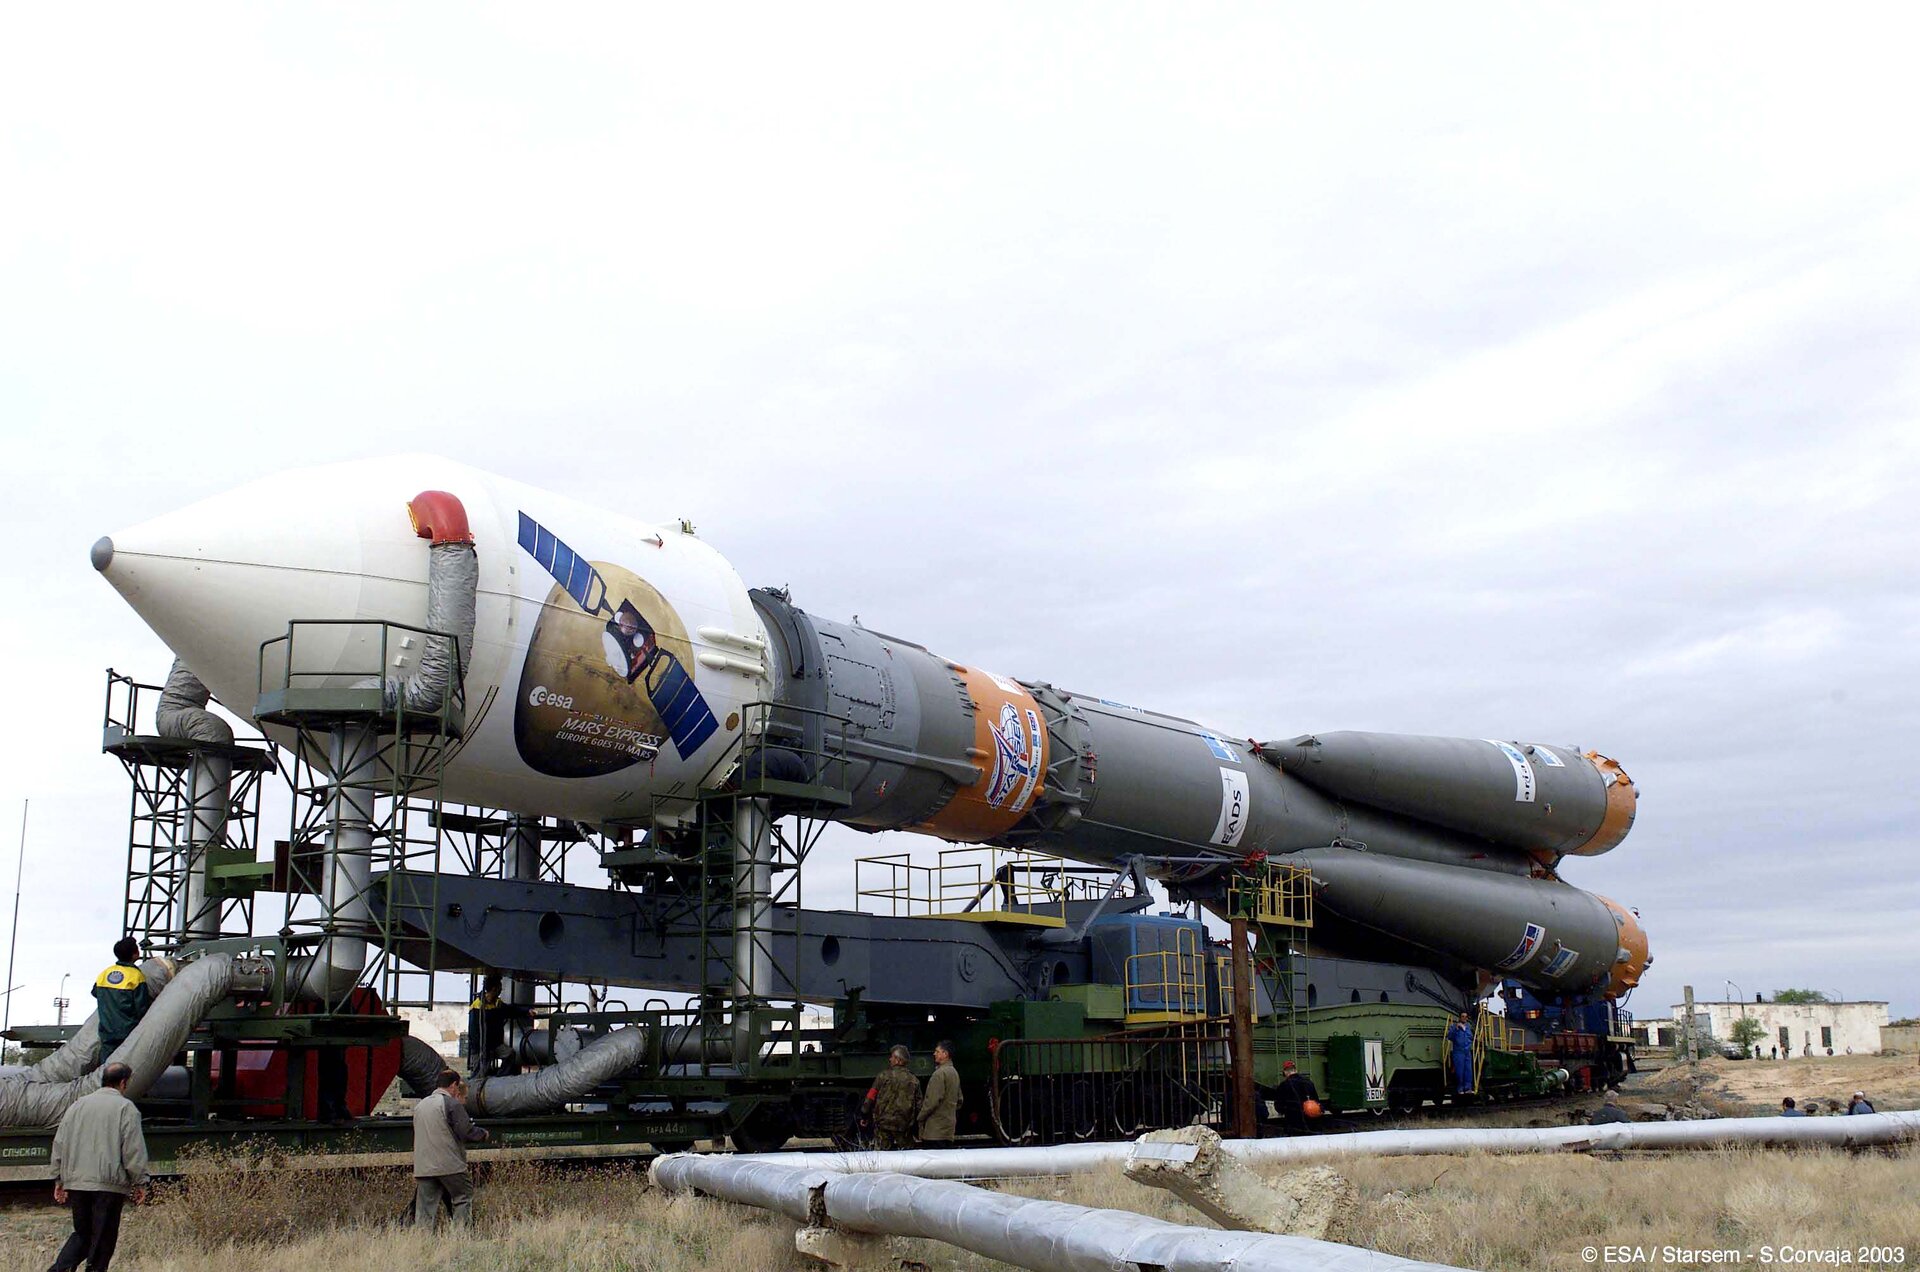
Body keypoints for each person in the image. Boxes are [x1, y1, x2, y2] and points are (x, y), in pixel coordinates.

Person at [48, 1061, 147, 1272]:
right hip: (108, 1186)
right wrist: (140, 1181)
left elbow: (60, 1143)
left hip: (77, 1183)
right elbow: (133, 1150)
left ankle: (58, 1270)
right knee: (103, 1242)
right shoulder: (126, 1108)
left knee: (82, 1235)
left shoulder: (77, 1106)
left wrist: (59, 1179)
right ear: (123, 1082)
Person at [413, 1070, 488, 1230]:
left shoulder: (421, 1106)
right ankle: (460, 1236)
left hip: (424, 1167)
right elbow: (466, 1131)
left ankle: (422, 1243)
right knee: (462, 1197)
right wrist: (483, 1134)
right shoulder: (451, 1104)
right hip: (449, 1165)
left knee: (425, 1210)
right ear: (454, 1085)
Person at [92, 939, 153, 1059]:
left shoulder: (105, 973)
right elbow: (142, 1007)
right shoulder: (136, 976)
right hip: (128, 1031)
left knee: (107, 1067)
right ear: (135, 954)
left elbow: (95, 993)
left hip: (107, 1029)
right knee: (126, 1066)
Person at [467, 975, 533, 1077]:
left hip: (495, 1045)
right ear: (494, 989)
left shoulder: (497, 1004)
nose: (500, 991)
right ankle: (474, 1087)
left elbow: (510, 1010)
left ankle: (500, 1078)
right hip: (480, 1048)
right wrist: (483, 1050)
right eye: (499, 989)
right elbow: (474, 1034)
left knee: (509, 1054)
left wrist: (526, 1011)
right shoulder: (477, 1007)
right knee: (479, 1073)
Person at [859, 1045, 920, 1151]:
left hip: (883, 1125)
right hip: (904, 1126)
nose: (890, 1059)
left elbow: (870, 1097)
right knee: (907, 1157)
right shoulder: (914, 1080)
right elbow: (919, 1104)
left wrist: (864, 1115)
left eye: (892, 1057)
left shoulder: (882, 1076)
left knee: (882, 1157)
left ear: (898, 1060)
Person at [916, 1041, 962, 1150]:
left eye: (937, 1051)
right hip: (948, 1129)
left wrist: (920, 1117)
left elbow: (931, 1102)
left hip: (934, 1131)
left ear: (945, 1054)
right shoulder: (954, 1073)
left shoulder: (939, 1074)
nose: (934, 1054)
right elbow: (960, 1100)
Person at [1274, 1059, 1322, 1134]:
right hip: (1311, 1123)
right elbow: (1317, 1101)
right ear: (1295, 1069)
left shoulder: (1283, 1085)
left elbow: (1279, 1107)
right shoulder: (1308, 1082)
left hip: (1293, 1123)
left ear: (1285, 1072)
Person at [1446, 1012, 1475, 1096]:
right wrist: (1456, 1029)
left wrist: (1468, 1046)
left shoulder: (1468, 1027)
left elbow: (1470, 1037)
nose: (1464, 1018)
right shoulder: (1454, 1026)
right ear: (1459, 1017)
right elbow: (1449, 1036)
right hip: (1458, 1052)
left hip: (1467, 1051)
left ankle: (1468, 1088)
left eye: (1466, 1017)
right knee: (1459, 1071)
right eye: (1462, 1016)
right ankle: (1460, 1088)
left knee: (1468, 1070)